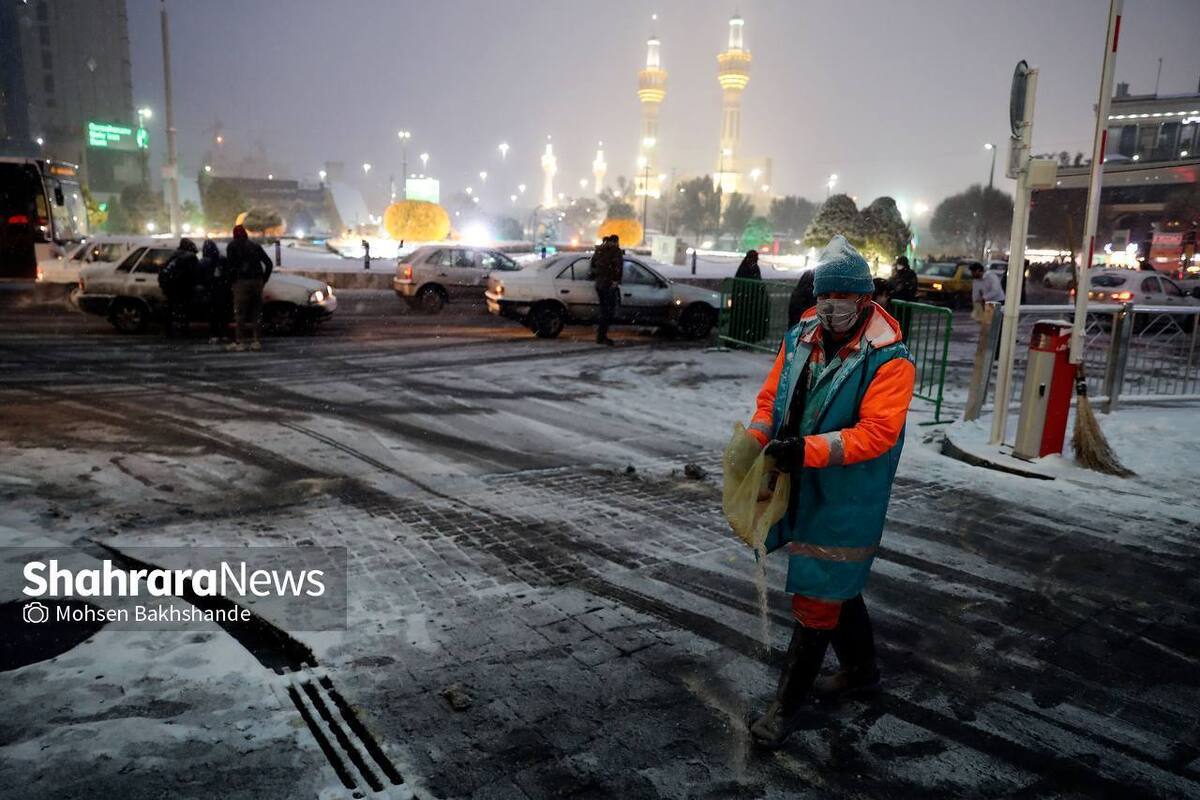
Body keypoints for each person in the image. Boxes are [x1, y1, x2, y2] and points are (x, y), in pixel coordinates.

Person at [743, 235, 915, 749]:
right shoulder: (802, 335)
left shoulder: (890, 359)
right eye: (823, 296)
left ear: (865, 300)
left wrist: (807, 451)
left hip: (846, 492)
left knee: (818, 594)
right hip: (801, 477)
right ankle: (862, 672)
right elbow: (773, 395)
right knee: (838, 581)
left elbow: (877, 433)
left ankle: (785, 707)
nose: (829, 307)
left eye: (840, 298)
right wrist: (755, 436)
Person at [225, 224, 274, 351]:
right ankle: (256, 341)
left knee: (240, 313)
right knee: (256, 312)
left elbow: (230, 266)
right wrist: (263, 279)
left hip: (241, 281)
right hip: (257, 281)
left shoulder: (232, 246)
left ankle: (240, 341)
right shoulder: (255, 246)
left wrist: (232, 281)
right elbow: (268, 263)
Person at [158, 238, 199, 338]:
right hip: (180, 287)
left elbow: (163, 268)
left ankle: (168, 331)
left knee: (170, 309)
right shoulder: (190, 257)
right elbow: (195, 274)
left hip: (169, 286)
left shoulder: (174, 255)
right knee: (183, 309)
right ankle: (183, 331)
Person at [731, 249, 769, 343]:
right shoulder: (751, 267)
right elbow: (756, 282)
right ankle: (746, 338)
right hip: (748, 299)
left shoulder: (746, 266)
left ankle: (741, 338)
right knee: (747, 320)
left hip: (746, 298)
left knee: (742, 320)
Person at [198, 239, 232, 344]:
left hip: (211, 291)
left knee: (213, 314)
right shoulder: (222, 260)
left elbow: (201, 277)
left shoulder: (204, 262)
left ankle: (214, 335)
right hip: (223, 291)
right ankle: (224, 334)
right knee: (223, 314)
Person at [593, 234, 623, 346]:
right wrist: (615, 280)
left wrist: (598, 276)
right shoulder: (615, 251)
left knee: (603, 310)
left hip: (599, 284)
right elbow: (618, 267)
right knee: (608, 311)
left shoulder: (599, 250)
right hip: (608, 284)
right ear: (615, 242)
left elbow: (593, 265)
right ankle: (601, 336)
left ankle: (600, 335)